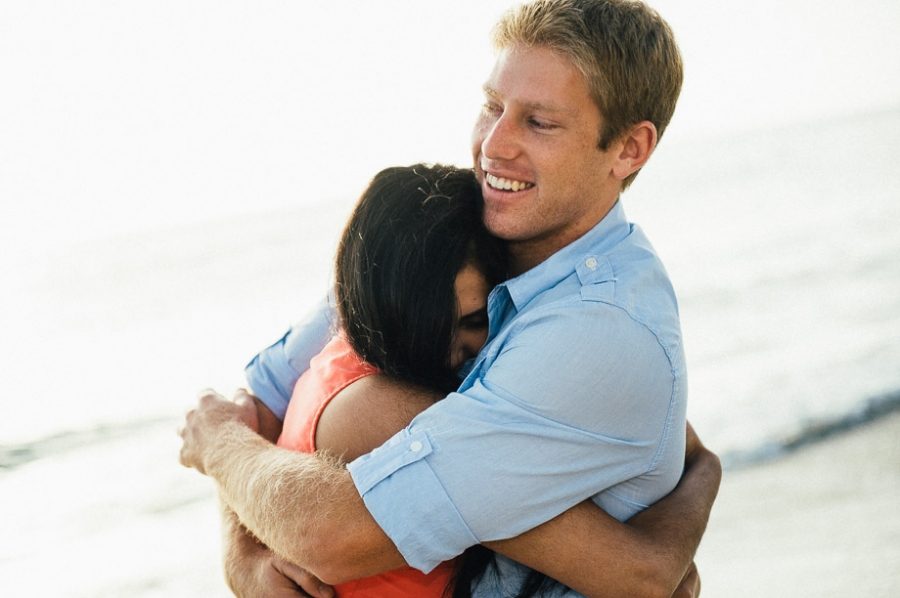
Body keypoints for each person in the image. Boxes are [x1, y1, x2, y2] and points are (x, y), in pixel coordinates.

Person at [181, 1, 722, 597]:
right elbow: (262, 404)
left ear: (628, 149)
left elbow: (325, 531)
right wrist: (245, 557)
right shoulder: (445, 230)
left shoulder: (600, 330)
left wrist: (218, 445)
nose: (494, 145)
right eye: (492, 106)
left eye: (539, 122)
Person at [271, 163, 506, 597]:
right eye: (432, 327)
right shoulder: (389, 409)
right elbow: (609, 542)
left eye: (475, 320)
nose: (452, 351)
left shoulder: (335, 358)